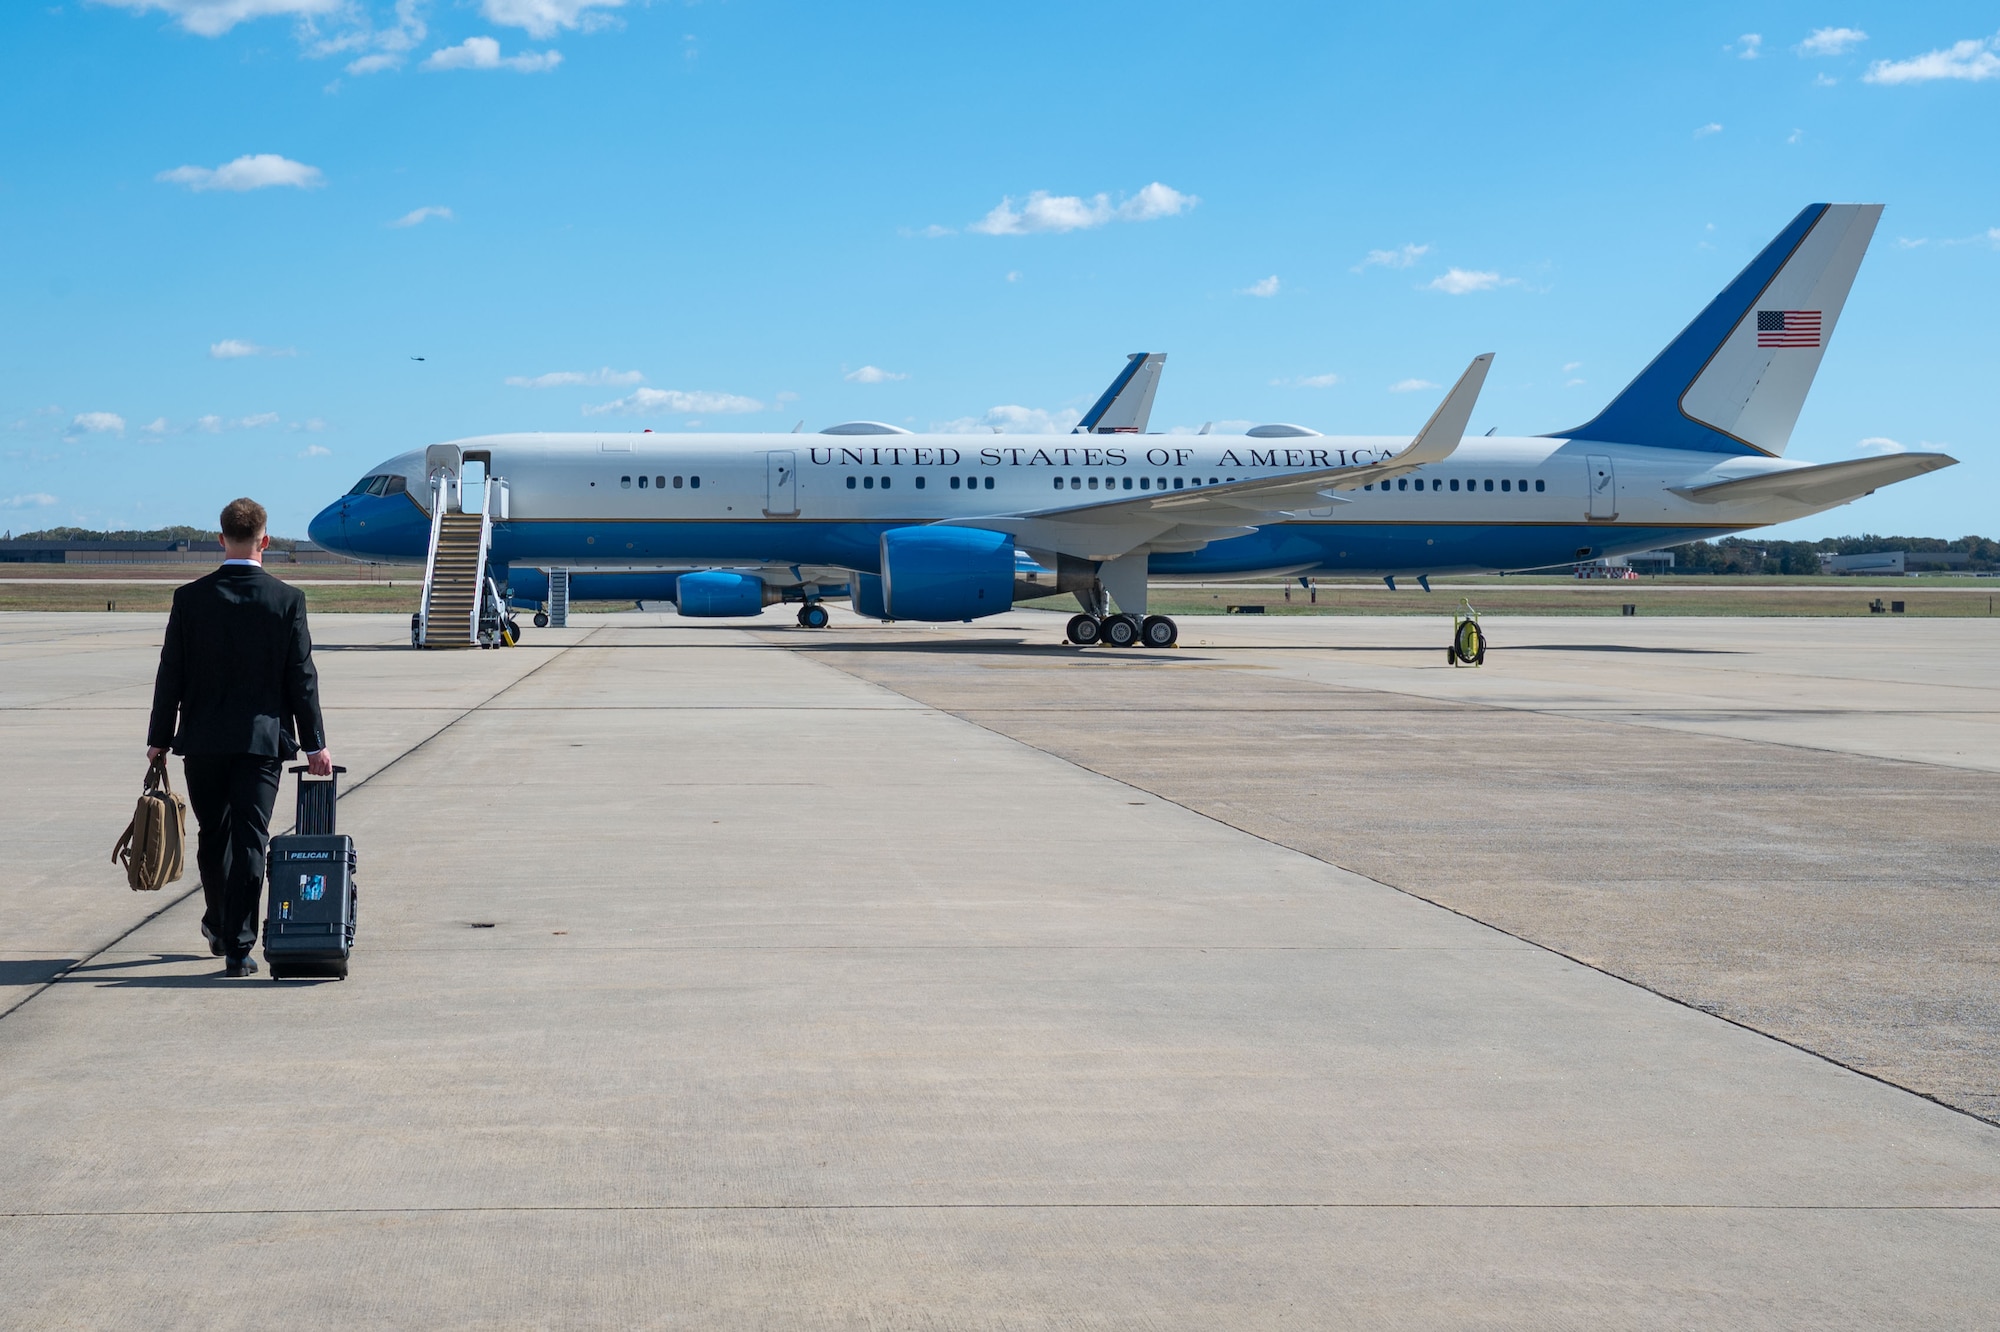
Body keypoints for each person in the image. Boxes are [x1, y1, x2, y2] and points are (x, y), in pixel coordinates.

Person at [147, 498, 333, 977]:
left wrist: (159, 737)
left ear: (221, 539)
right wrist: (314, 743)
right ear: (265, 541)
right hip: (260, 742)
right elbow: (301, 677)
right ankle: (238, 945)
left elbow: (171, 674)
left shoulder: (189, 599)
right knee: (252, 839)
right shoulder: (286, 600)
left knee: (214, 836)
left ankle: (218, 923)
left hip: (204, 740)